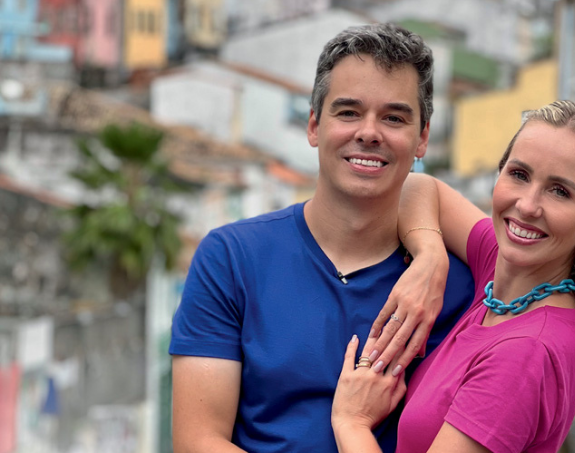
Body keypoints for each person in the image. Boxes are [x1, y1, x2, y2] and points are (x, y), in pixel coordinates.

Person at [169, 23, 475, 453]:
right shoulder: (232, 259)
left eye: (394, 117)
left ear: (422, 137)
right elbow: (198, 441)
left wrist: (430, 254)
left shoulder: (458, 288)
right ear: (314, 126)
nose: (369, 132)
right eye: (348, 112)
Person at [331, 100, 575, 452]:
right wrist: (430, 255)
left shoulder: (525, 353)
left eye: (560, 191)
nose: (528, 205)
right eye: (519, 174)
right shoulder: (503, 270)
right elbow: (419, 188)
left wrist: (352, 421)